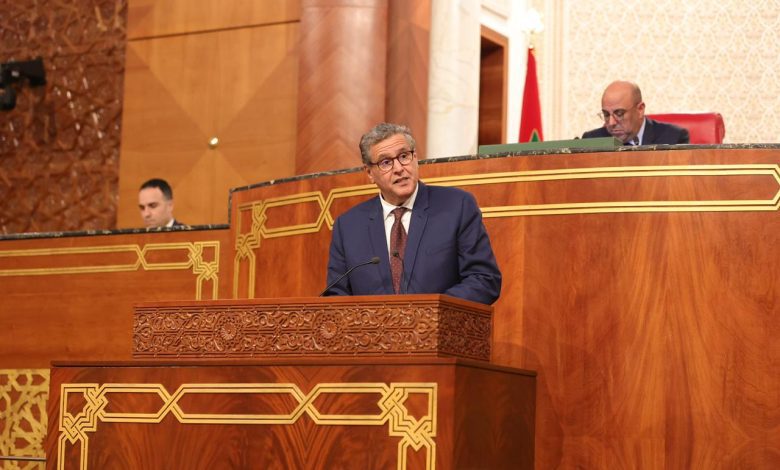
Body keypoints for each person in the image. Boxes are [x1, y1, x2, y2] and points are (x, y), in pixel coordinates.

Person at [323, 123, 502, 305]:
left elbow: (484, 279)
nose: (398, 168)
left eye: (404, 156)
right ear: (370, 173)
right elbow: (336, 297)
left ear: (415, 157)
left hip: (440, 322)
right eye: (386, 162)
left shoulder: (456, 206)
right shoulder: (348, 227)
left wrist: (431, 311)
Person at [582, 80, 689, 145]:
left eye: (619, 114)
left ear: (640, 109)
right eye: (606, 114)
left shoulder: (673, 138)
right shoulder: (591, 141)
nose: (611, 123)